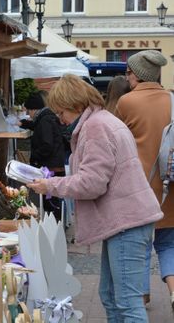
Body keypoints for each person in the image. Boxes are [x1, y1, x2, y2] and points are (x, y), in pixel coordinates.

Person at [27, 74, 163, 322]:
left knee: (126, 302)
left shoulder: (95, 127)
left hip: (126, 221)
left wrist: (50, 185)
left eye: (62, 112)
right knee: (112, 297)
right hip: (125, 220)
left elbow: (92, 183)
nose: (60, 119)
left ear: (75, 105)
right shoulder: (100, 121)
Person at [116, 49, 174, 310]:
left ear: (137, 75)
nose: (126, 77)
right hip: (169, 185)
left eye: (128, 72)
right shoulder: (172, 100)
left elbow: (116, 142)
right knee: (168, 242)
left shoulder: (127, 102)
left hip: (138, 187)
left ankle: (142, 295)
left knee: (138, 244)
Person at [20, 91, 66, 221]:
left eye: (29, 111)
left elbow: (47, 145)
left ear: (34, 109)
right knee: (52, 203)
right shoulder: (45, 117)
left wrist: (34, 157)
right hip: (54, 165)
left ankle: (54, 232)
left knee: (51, 203)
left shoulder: (45, 120)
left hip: (51, 169)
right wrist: (23, 123)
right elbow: (36, 126)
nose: (29, 115)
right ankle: (54, 230)